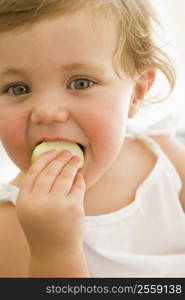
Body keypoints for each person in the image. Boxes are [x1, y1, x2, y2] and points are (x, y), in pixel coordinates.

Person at [0, 0, 185, 278]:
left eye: (80, 83)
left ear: (136, 93)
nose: (47, 112)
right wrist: (52, 249)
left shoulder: (164, 157)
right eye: (17, 88)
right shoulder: (11, 221)